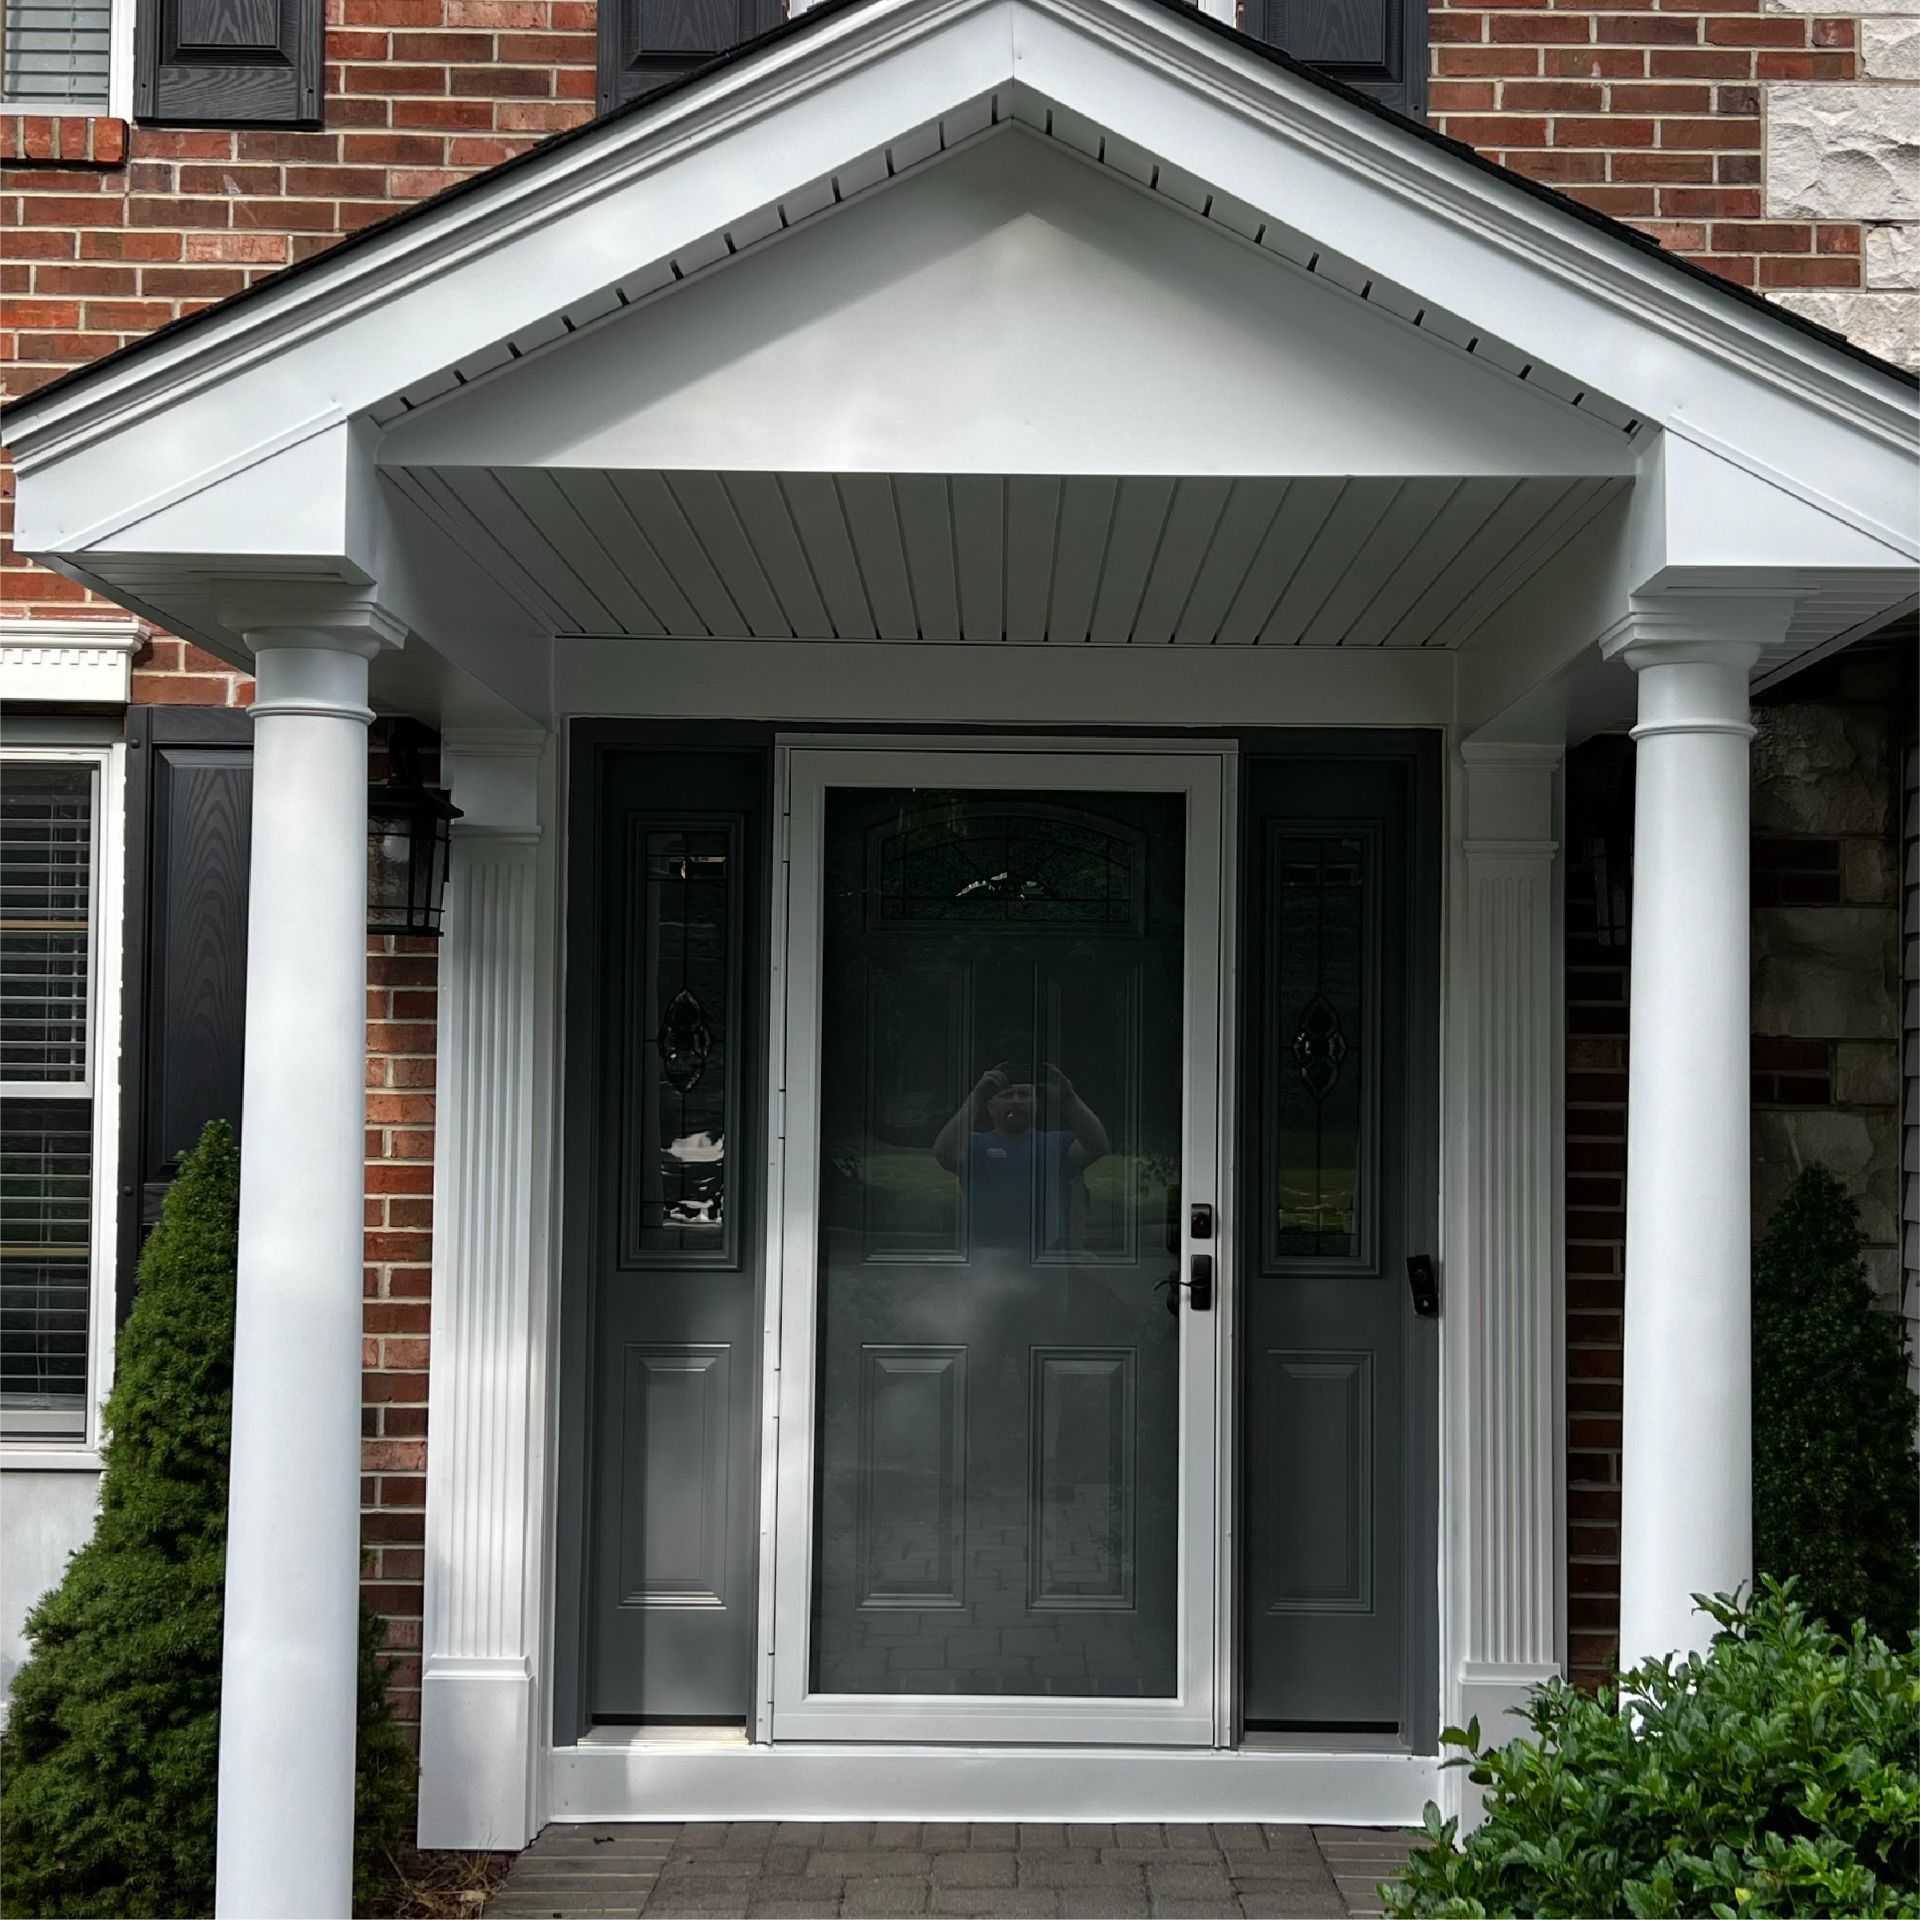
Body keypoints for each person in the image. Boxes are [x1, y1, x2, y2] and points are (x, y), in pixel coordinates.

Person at [931, 1061, 1110, 1254]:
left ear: (1036, 1106)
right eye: (1007, 1095)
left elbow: (1098, 1147)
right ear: (990, 1108)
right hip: (986, 1260)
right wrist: (977, 1096)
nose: (1016, 1101)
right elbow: (943, 1153)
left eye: (1024, 1095)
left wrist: (1068, 1099)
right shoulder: (974, 1145)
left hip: (1047, 1259)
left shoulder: (1058, 1143)